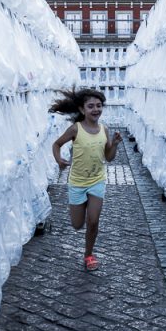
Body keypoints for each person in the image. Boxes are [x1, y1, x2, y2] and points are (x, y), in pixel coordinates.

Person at [50, 89, 122, 271]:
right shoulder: (76, 129)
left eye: (99, 106)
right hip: (77, 182)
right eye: (91, 106)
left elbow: (109, 157)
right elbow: (56, 144)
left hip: (97, 180)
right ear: (82, 110)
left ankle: (89, 255)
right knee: (77, 224)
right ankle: (79, 214)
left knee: (93, 221)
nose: (96, 109)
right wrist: (59, 159)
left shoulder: (104, 129)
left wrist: (115, 145)